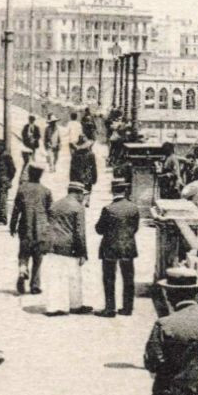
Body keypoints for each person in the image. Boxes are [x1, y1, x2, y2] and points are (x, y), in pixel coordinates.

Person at [96, 177, 141, 317]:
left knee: (109, 278)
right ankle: (127, 308)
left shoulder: (108, 209)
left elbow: (99, 229)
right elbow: (135, 228)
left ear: (112, 191)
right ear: (125, 190)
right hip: (128, 247)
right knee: (128, 278)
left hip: (110, 247)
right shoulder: (133, 208)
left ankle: (110, 309)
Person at [45, 180, 90, 315]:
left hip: (53, 246)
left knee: (55, 277)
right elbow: (79, 232)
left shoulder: (55, 205)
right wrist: (83, 253)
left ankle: (53, 307)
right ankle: (75, 305)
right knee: (74, 278)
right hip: (70, 247)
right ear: (79, 194)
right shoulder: (78, 207)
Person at [9, 164, 53, 295]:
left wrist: (12, 226)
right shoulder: (46, 191)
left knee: (24, 254)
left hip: (25, 228)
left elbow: (16, 210)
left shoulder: (22, 189)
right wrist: (50, 229)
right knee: (38, 258)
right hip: (41, 229)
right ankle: (35, 285)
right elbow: (51, 212)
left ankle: (22, 270)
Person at [68, 127, 98, 194]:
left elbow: (72, 168)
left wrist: (71, 179)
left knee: (78, 195)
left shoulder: (75, 154)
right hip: (87, 179)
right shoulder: (91, 154)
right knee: (87, 195)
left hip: (77, 179)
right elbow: (94, 167)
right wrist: (95, 178)